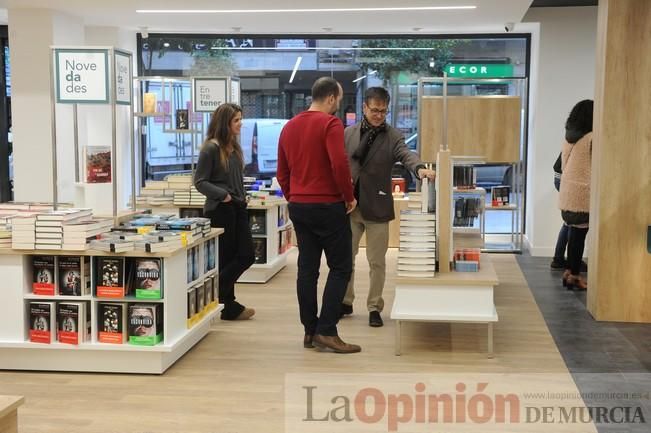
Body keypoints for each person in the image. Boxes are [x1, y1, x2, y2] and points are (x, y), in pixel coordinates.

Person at [277, 77, 360, 354]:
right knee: (341, 267)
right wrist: (348, 196)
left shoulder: (289, 126)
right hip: (328, 205)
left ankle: (309, 330)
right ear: (332, 98)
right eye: (338, 99)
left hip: (300, 206)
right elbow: (339, 163)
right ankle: (327, 330)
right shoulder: (330, 123)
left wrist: (294, 196)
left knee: (307, 269)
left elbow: (282, 171)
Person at [342, 87, 435, 327]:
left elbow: (406, 155)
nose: (379, 115)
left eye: (383, 111)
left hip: (377, 205)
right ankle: (345, 301)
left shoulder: (393, 136)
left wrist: (419, 168)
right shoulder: (347, 133)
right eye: (374, 110)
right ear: (365, 108)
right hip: (349, 206)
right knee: (345, 259)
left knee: (377, 262)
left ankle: (374, 307)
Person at [194, 103, 255, 320]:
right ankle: (223, 302)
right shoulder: (211, 148)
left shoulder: (234, 147)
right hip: (221, 209)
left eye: (240, 119)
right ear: (225, 123)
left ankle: (221, 300)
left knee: (243, 256)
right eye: (236, 120)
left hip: (238, 208)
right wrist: (224, 195)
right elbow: (199, 181)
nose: (241, 124)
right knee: (233, 257)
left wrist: (240, 196)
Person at [558, 99, 593, 291]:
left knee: (574, 232)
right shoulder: (591, 137)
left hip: (568, 194)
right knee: (579, 236)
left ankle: (569, 272)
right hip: (583, 195)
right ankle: (574, 275)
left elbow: (563, 165)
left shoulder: (569, 136)